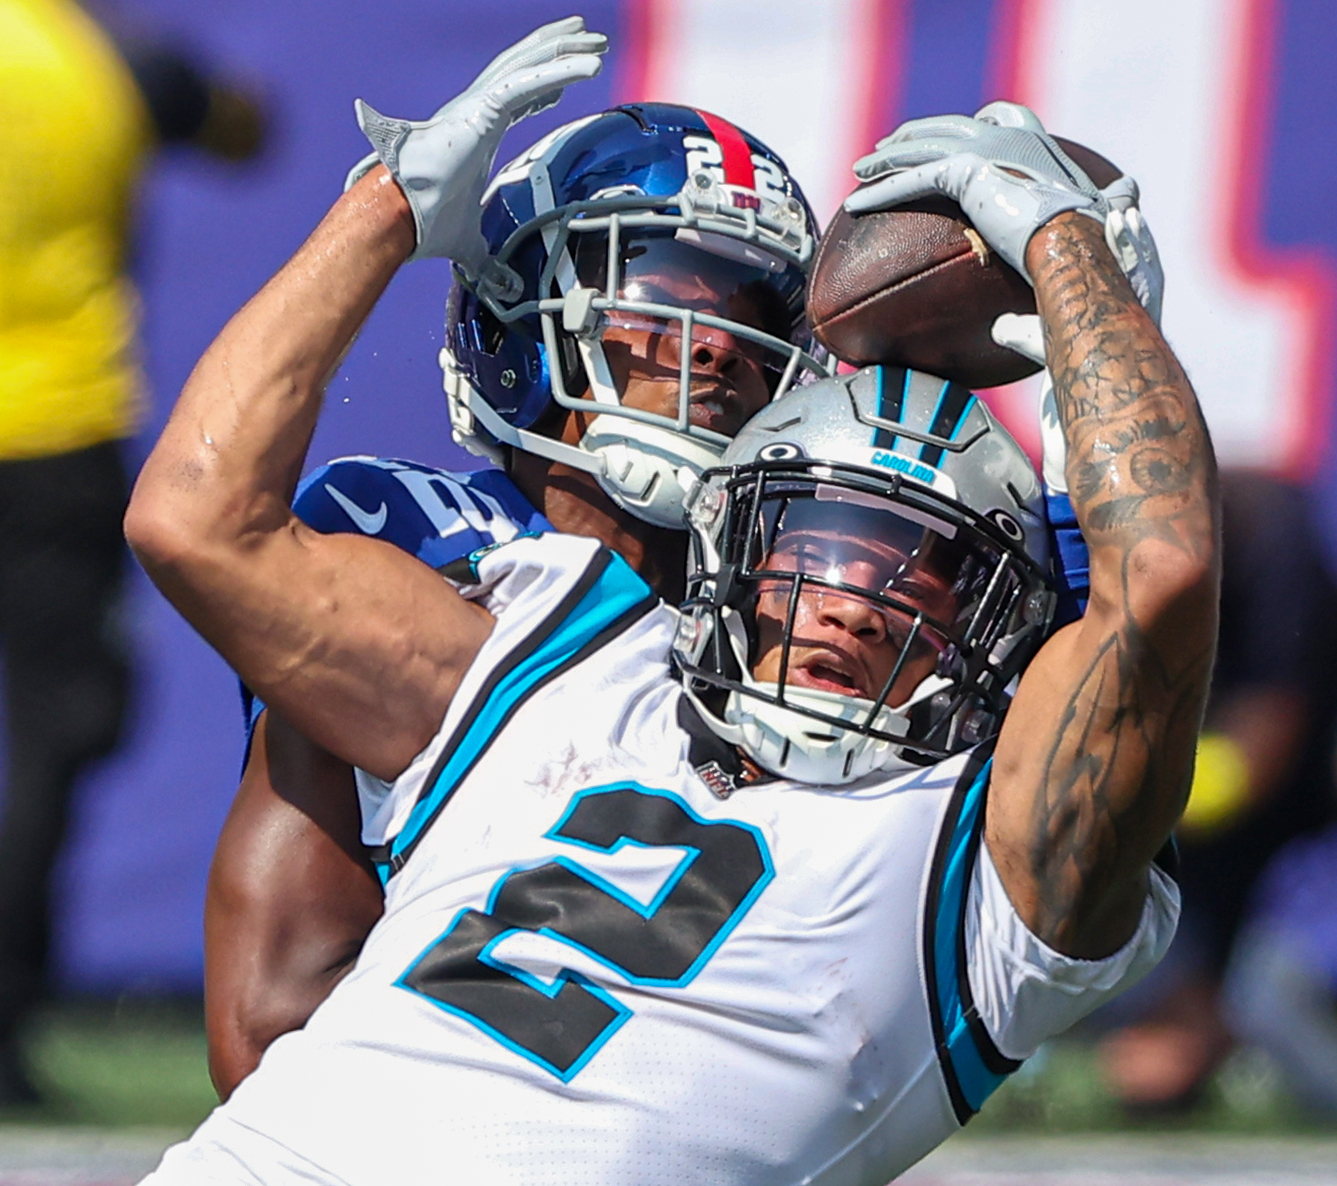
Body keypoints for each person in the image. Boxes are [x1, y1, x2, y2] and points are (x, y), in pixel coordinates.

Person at [123, 18, 1218, 1172]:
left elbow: (1150, 588)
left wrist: (1077, 275)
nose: (849, 603)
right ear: (751, 544)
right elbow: (196, 519)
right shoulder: (565, 655)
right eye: (819, 550)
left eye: (914, 577)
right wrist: (383, 212)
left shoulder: (979, 850)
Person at [200, 39, 826, 1094]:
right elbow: (268, 1036)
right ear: (519, 324)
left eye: (747, 316)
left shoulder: (807, 594)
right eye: (658, 292)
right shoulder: (423, 551)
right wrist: (383, 218)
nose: (713, 343)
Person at [0, 0, 264, 1105]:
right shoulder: (98, 63)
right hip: (56, 445)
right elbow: (246, 131)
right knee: (56, 741)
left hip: (60, 448)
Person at [1095, 469, 1337, 1127]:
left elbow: (1263, 745)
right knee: (1148, 1072)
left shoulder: (1268, 521)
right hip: (1183, 805)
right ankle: (1249, 999)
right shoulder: (1094, 553)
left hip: (1282, 770)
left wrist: (1140, 789)